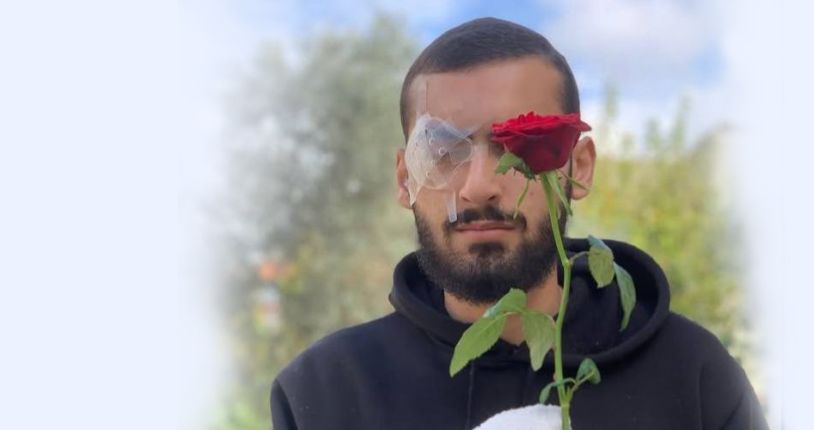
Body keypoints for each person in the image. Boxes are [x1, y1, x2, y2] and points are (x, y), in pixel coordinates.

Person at [270, 17, 769, 430]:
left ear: (579, 168)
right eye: (443, 152)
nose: (479, 186)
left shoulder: (695, 378)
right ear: (405, 180)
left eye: (517, 147)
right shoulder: (324, 395)